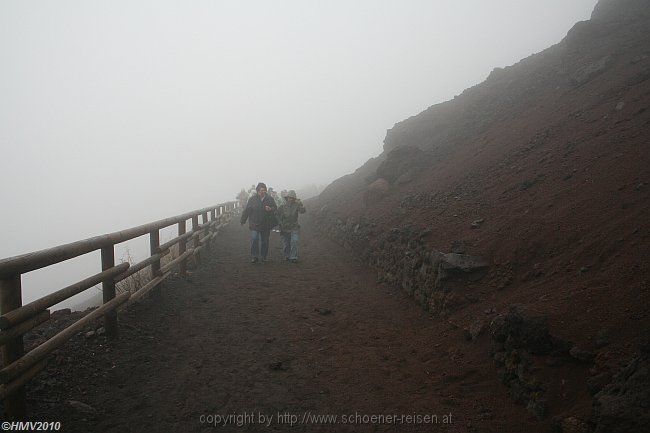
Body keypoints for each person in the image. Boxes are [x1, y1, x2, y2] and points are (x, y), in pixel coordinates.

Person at [240, 182, 277, 263]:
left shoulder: (270, 199)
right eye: (261, 190)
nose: (262, 192)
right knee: (254, 238)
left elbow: (275, 208)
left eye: (264, 190)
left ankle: (263, 256)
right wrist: (243, 220)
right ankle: (254, 256)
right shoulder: (252, 199)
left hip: (266, 223)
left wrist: (270, 209)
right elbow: (247, 210)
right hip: (255, 223)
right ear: (257, 191)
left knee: (265, 241)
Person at [276, 190, 306, 263]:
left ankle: (293, 257)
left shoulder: (297, 205)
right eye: (289, 197)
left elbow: (303, 211)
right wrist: (280, 223)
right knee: (286, 243)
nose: (291, 199)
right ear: (287, 198)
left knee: (294, 241)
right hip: (284, 227)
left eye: (292, 198)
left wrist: (301, 204)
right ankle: (287, 255)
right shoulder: (282, 206)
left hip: (294, 226)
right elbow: (276, 214)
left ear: (294, 198)